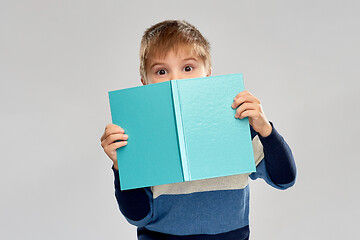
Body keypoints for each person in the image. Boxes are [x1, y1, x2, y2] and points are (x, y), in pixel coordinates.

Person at [100, 19, 297, 240]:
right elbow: (138, 216)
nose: (176, 79)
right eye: (161, 71)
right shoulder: (140, 136)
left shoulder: (236, 124)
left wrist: (265, 130)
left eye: (187, 68)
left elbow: (284, 179)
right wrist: (121, 166)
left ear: (208, 73)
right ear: (145, 81)